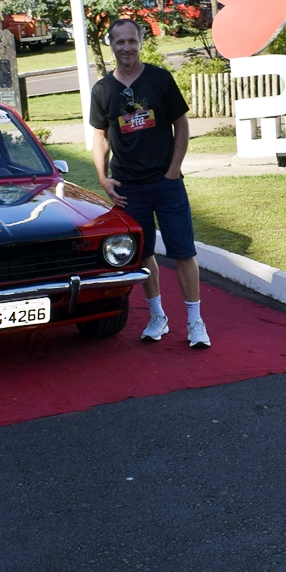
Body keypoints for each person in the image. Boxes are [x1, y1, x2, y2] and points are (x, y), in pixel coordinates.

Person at [89, 18, 209, 347]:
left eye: (132, 41)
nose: (126, 47)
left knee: (184, 252)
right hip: (128, 188)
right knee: (142, 255)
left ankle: (195, 322)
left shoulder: (159, 79)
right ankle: (158, 317)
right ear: (111, 45)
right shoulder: (103, 90)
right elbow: (100, 137)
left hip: (165, 183)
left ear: (140, 43)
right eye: (120, 42)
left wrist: (173, 171)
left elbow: (181, 125)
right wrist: (103, 178)